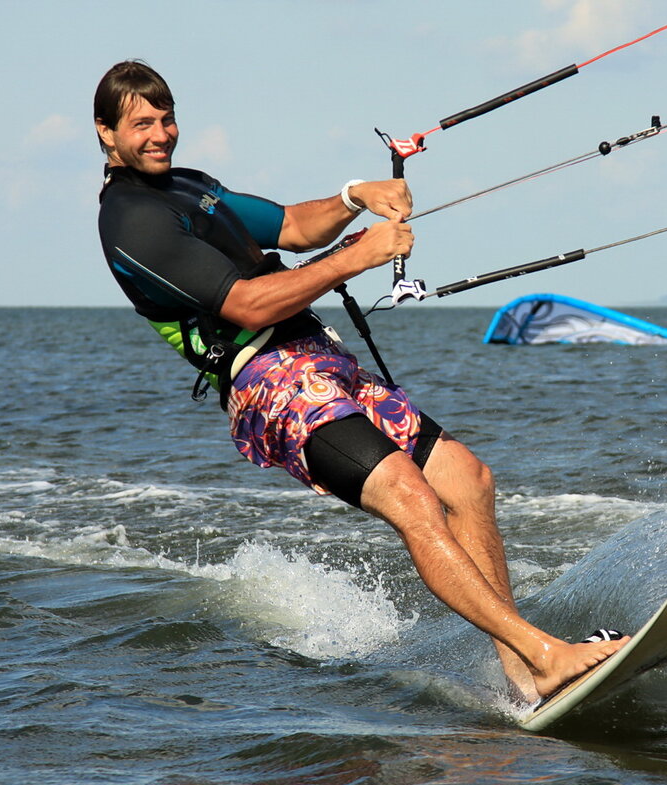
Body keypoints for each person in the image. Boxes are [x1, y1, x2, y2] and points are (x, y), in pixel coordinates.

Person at [93, 60, 626, 701]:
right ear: (106, 133)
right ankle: (548, 655)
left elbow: (290, 225)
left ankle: (526, 675)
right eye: (141, 123)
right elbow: (246, 305)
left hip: (320, 358)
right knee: (413, 499)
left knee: (468, 481)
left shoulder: (188, 188)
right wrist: (357, 256)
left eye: (167, 118)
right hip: (271, 383)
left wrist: (353, 197)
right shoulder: (131, 222)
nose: (160, 133)